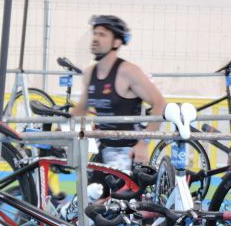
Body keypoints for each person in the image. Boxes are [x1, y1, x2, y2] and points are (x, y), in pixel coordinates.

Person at [70, 14, 166, 170]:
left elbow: (160, 104)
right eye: (95, 33)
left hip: (128, 152)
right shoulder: (89, 73)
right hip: (104, 148)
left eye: (102, 35)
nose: (95, 38)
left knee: (110, 193)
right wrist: (59, 130)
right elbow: (82, 108)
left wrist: (143, 144)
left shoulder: (129, 71)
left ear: (117, 42)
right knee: (88, 193)